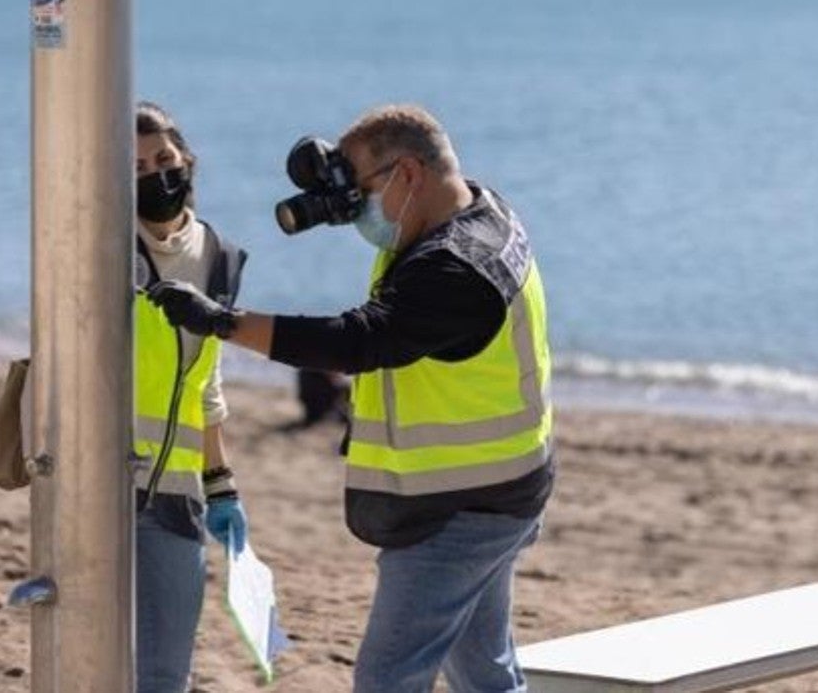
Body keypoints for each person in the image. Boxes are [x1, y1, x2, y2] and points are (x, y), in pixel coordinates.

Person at [147, 104, 554, 693]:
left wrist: (223, 322)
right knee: (483, 669)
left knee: (387, 678)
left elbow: (360, 340)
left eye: (362, 190)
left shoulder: (458, 268)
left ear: (409, 175)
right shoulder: (475, 210)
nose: (357, 210)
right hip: (507, 486)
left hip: (459, 505)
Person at [133, 101, 250, 693]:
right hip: (98, 488)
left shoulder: (219, 257)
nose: (155, 174)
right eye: (135, 168)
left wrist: (221, 483)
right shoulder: (95, 249)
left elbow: (206, 382)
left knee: (164, 673)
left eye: (163, 159)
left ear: (187, 162)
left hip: (177, 496)